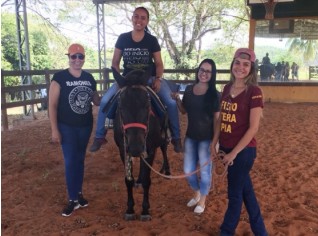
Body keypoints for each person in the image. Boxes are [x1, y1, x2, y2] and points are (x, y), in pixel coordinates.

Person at [89, 6, 182, 153]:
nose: (139, 20)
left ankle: (176, 137)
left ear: (147, 21)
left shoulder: (151, 40)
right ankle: (100, 136)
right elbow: (115, 62)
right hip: (127, 79)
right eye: (136, 16)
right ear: (132, 18)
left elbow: (158, 63)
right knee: (106, 101)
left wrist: (158, 79)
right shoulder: (123, 38)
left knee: (170, 102)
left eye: (143, 18)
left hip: (148, 79)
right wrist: (119, 80)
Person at [210, 48, 268, 235]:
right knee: (246, 192)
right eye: (237, 63)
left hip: (242, 152)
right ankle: (260, 231)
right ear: (232, 64)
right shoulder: (226, 88)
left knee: (235, 195)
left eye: (246, 65)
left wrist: (233, 153)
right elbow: (221, 120)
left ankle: (226, 231)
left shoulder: (254, 92)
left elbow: (253, 128)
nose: (240, 67)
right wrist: (214, 142)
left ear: (251, 69)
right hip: (226, 148)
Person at [49, 43, 101, 217]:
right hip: (66, 126)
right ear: (68, 57)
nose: (77, 60)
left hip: (85, 125)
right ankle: (72, 199)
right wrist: (54, 130)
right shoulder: (59, 78)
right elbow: (52, 105)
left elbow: (96, 101)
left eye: (81, 57)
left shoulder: (89, 78)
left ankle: (78, 193)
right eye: (74, 57)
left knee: (79, 160)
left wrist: (109, 95)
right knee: (71, 160)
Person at [171, 59, 220, 214]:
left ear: (212, 75)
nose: (204, 73)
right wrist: (177, 100)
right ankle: (196, 192)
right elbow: (184, 110)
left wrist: (215, 141)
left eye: (208, 71)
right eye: (201, 69)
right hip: (191, 137)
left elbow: (217, 119)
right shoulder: (190, 90)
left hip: (207, 139)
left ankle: (203, 201)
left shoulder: (215, 95)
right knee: (188, 170)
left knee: (205, 172)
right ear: (197, 71)